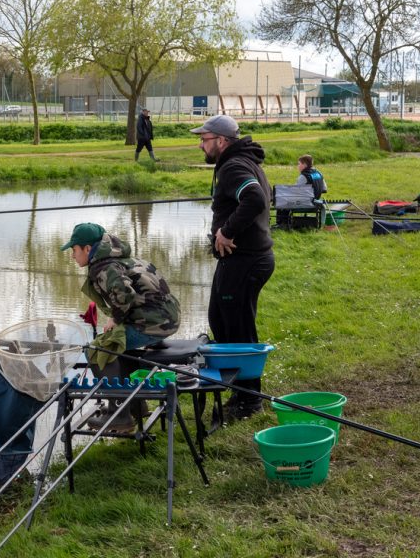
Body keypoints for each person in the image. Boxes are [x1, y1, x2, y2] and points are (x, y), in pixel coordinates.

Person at [190, 115, 275, 420]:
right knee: (222, 320)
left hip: (246, 259)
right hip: (243, 259)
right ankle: (239, 389)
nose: (201, 144)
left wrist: (226, 232)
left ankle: (248, 400)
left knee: (238, 328)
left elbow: (254, 199)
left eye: (205, 139)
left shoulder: (233, 166)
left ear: (221, 141)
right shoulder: (240, 162)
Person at [61, 222, 180, 430]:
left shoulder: (102, 267)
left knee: (97, 351)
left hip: (153, 324)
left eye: (74, 250)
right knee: (120, 349)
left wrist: (115, 319)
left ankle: (119, 413)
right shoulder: (120, 259)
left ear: (87, 249)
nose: (73, 255)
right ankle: (136, 404)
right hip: (166, 320)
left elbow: (125, 294)